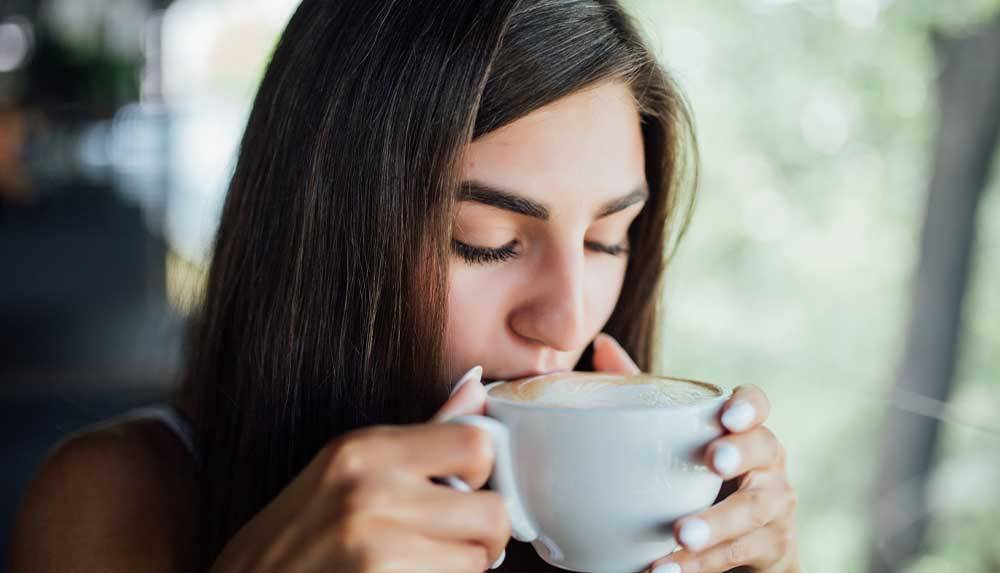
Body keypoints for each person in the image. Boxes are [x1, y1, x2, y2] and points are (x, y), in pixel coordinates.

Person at [7, 1, 799, 571]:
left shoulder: (648, 526)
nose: (567, 318)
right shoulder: (120, 503)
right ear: (326, 230)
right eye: (483, 243)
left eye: (605, 240)